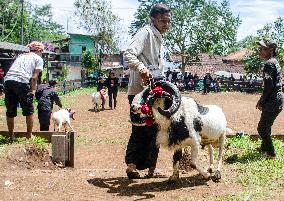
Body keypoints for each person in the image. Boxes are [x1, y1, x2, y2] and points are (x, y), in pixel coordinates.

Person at [123, 3, 171, 179]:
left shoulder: (159, 37)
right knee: (140, 128)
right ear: (153, 19)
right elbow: (129, 54)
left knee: (156, 129)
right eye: (162, 20)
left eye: (168, 21)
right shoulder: (146, 32)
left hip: (155, 91)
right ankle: (132, 166)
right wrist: (142, 68)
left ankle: (152, 168)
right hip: (139, 93)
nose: (166, 24)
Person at [4, 41, 44, 140]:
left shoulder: (20, 56)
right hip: (22, 81)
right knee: (29, 110)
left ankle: (11, 135)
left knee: (10, 110)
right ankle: (29, 135)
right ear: (39, 50)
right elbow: (34, 77)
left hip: (8, 80)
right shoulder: (38, 58)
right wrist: (33, 91)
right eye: (42, 51)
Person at [256, 39, 284, 159]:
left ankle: (271, 153)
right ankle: (264, 148)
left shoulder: (269, 64)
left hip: (273, 100)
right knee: (267, 126)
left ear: (270, 50)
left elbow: (269, 86)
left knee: (262, 128)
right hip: (278, 99)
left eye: (262, 48)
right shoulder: (275, 62)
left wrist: (261, 101)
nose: (260, 50)